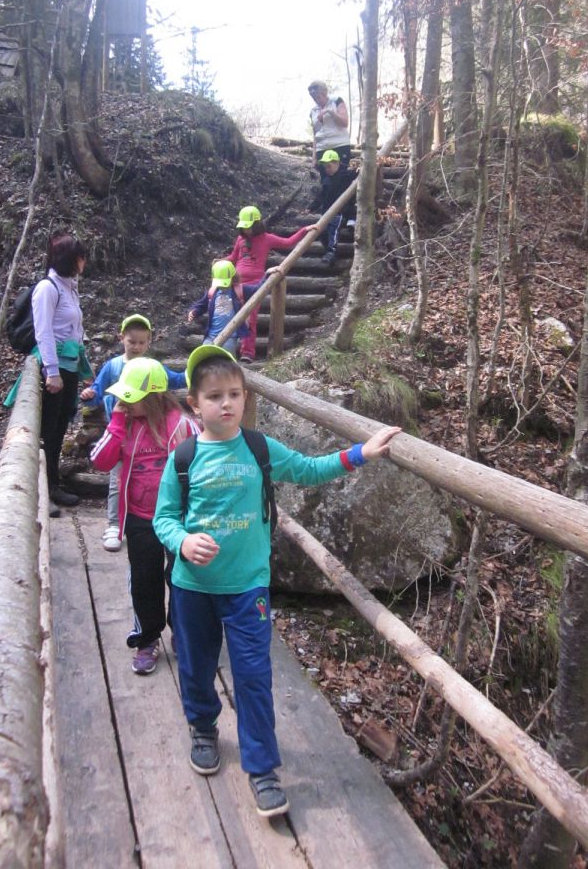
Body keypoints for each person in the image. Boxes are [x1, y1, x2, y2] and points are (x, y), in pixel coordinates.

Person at [153, 345, 401, 817]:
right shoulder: (183, 458)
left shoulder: (260, 449)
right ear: (194, 405)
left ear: (245, 398)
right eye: (214, 397)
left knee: (253, 676)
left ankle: (262, 768)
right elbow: (164, 518)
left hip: (249, 588)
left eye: (234, 394)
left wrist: (360, 453)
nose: (226, 404)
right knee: (195, 663)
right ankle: (203, 728)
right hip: (193, 587)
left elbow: (309, 469)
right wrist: (182, 542)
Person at [90, 357, 198, 675]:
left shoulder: (182, 424)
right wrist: (117, 422)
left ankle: (182, 631)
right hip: (140, 517)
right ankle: (147, 638)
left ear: (151, 398)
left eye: (129, 397)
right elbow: (99, 460)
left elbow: (202, 461)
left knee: (181, 578)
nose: (121, 401)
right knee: (144, 579)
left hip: (178, 518)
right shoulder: (124, 426)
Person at [80, 313, 187, 552]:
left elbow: (176, 380)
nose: (137, 346)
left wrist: (195, 375)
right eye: (132, 342)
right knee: (118, 482)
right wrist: (90, 397)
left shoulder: (154, 369)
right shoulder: (113, 366)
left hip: (154, 431)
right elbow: (98, 390)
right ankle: (114, 524)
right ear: (122, 339)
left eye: (141, 342)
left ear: (149, 341)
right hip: (121, 432)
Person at [31, 231, 93, 512]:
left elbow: (75, 332)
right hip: (54, 370)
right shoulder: (48, 288)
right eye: (81, 256)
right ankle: (45, 487)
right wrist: (51, 371)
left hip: (69, 368)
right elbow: (43, 331)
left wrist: (84, 369)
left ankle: (52, 481)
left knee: (60, 427)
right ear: (72, 258)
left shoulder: (70, 286)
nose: (84, 261)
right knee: (49, 430)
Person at [222, 206, 316, 362]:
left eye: (249, 227)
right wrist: (221, 262)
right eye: (244, 227)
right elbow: (233, 257)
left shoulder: (266, 238)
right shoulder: (240, 240)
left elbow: (288, 242)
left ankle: (247, 352)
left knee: (249, 317)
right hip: (236, 281)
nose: (246, 230)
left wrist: (305, 230)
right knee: (230, 315)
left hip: (254, 283)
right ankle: (225, 350)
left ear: (257, 224)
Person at [187, 260, 281, 357]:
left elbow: (258, 290)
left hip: (230, 336)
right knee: (203, 357)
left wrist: (267, 275)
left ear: (233, 278)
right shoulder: (212, 292)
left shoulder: (240, 290)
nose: (222, 286)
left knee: (225, 358)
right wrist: (194, 311)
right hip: (211, 335)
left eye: (225, 283)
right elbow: (201, 305)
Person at [312, 149, 358, 266]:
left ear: (337, 163)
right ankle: (328, 248)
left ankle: (332, 252)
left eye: (329, 166)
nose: (327, 169)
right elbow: (322, 196)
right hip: (327, 212)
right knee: (321, 232)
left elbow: (358, 173)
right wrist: (311, 207)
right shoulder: (327, 180)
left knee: (333, 227)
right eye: (325, 167)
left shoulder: (346, 175)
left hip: (341, 211)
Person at [308, 79, 351, 182]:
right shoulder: (313, 111)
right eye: (313, 97)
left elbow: (344, 122)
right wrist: (314, 158)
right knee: (326, 181)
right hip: (322, 149)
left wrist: (330, 112)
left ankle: (344, 198)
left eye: (318, 96)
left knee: (341, 179)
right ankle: (329, 199)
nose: (316, 99)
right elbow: (315, 136)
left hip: (339, 146)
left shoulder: (336, 101)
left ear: (324, 92)